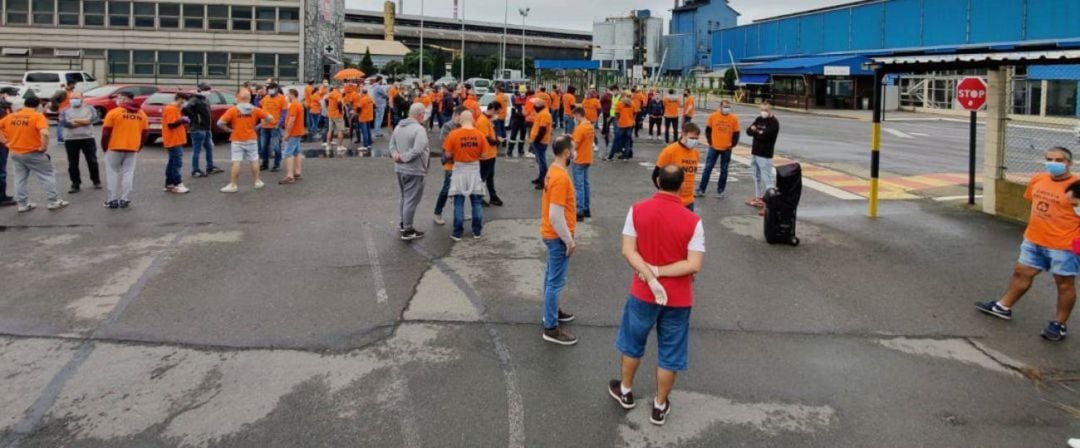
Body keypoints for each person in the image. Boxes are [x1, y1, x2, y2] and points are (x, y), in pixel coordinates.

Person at [608, 164, 705, 426]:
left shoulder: (637, 210)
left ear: (658, 182)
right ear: (682, 185)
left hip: (642, 293)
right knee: (670, 352)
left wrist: (649, 276)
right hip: (679, 298)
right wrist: (661, 271)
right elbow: (693, 264)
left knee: (632, 342)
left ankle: (626, 391)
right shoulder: (693, 221)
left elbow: (628, 250)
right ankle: (660, 405)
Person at [976, 147, 1080, 342]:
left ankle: (1059, 324)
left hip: (1063, 246)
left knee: (1065, 285)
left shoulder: (1077, 185)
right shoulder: (1039, 179)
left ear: (1069, 163)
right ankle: (1003, 307)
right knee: (1021, 273)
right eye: (1049, 159)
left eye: (1058, 160)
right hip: (1034, 240)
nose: (1053, 163)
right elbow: (1033, 204)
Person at [540, 135, 579, 345]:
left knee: (550, 277)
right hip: (557, 237)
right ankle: (551, 326)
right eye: (574, 149)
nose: (575, 152)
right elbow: (556, 214)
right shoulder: (561, 178)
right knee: (555, 281)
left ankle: (551, 311)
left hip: (552, 234)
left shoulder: (554, 171)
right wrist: (569, 241)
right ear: (566, 153)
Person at [0, 97, 68, 212]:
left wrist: (5, 142)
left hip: (16, 152)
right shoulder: (37, 116)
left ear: (25, 104)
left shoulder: (11, 116)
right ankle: (53, 201)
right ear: (37, 105)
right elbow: (45, 133)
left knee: (20, 178)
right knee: (47, 175)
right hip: (33, 152)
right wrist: (43, 147)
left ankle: (22, 204)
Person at [389, 103, 431, 241]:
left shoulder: (398, 127)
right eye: (423, 114)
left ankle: (403, 223)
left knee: (404, 197)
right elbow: (418, 149)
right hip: (415, 169)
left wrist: (396, 156)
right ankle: (408, 229)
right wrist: (404, 158)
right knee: (411, 200)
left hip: (399, 169)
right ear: (420, 114)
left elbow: (392, 145)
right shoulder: (419, 129)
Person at [100, 92, 148, 209]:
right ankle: (124, 199)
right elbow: (144, 134)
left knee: (113, 173)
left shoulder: (114, 113)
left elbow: (106, 133)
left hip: (114, 147)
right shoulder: (142, 114)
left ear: (124, 99)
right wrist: (139, 147)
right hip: (132, 148)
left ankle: (112, 200)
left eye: (119, 97)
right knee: (128, 173)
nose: (117, 99)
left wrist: (105, 147)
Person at [444, 111, 487, 241]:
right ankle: (477, 231)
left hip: (459, 170)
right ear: (472, 120)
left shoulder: (453, 134)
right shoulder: (480, 135)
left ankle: (457, 232)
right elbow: (485, 155)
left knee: (458, 202)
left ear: (461, 120)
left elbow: (447, 155)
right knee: (476, 202)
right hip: (474, 170)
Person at [217, 91, 272, 193]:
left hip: (237, 139)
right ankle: (257, 181)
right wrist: (258, 127)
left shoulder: (233, 110)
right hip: (251, 138)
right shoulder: (255, 109)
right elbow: (269, 118)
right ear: (249, 98)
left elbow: (220, 123)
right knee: (254, 160)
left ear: (238, 98)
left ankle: (233, 185)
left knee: (236, 162)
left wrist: (228, 130)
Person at [58, 91, 101, 193]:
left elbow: (94, 119)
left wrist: (75, 121)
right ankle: (75, 184)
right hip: (71, 139)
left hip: (87, 138)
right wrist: (83, 121)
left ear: (82, 98)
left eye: (76, 98)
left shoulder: (89, 108)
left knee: (92, 161)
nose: (74, 100)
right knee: (73, 163)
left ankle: (96, 180)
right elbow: (64, 122)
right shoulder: (65, 110)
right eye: (72, 98)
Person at [655, 123, 703, 211]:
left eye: (696, 139)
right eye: (692, 138)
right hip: (672, 201)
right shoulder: (670, 151)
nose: (694, 141)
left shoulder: (695, 153)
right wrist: (665, 194)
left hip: (689, 201)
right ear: (683, 134)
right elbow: (655, 175)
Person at [698, 100, 740, 198]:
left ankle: (720, 190)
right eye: (725, 106)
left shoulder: (733, 118)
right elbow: (708, 130)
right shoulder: (713, 116)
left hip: (727, 149)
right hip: (714, 147)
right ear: (720, 107)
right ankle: (701, 189)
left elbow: (736, 133)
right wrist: (710, 142)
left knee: (724, 170)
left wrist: (732, 145)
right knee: (707, 168)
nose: (727, 109)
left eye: (728, 107)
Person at [434, 106, 465, 226]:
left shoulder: (464, 127)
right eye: (461, 118)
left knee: (461, 190)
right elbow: (445, 145)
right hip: (450, 164)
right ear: (456, 115)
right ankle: (438, 212)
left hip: (462, 163)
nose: (462, 121)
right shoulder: (448, 126)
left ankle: (459, 212)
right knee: (446, 189)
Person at [746, 102, 780, 209]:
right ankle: (758, 197)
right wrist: (757, 132)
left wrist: (755, 131)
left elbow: (766, 136)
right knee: (756, 177)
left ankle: (772, 201)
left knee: (767, 178)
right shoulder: (759, 119)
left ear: (770, 110)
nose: (763, 112)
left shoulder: (774, 122)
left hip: (765, 155)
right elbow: (748, 131)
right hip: (755, 152)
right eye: (762, 109)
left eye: (766, 110)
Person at [185, 83, 222, 177]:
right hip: (198, 129)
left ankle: (210, 167)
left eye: (208, 90)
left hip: (206, 129)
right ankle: (195, 170)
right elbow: (186, 108)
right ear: (199, 90)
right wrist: (195, 118)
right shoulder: (195, 100)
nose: (208, 92)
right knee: (196, 150)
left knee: (209, 148)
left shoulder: (203, 99)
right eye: (206, 90)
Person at [162, 93, 191, 194]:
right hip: (173, 140)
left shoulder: (175, 109)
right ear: (179, 99)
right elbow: (171, 124)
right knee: (177, 163)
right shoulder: (171, 109)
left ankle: (169, 184)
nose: (184, 103)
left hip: (175, 139)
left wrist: (182, 120)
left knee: (172, 162)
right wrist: (182, 120)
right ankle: (177, 183)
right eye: (184, 100)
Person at [569, 107, 594, 221]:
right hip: (587, 157)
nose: (574, 118)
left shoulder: (580, 128)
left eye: (575, 116)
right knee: (585, 184)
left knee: (579, 186)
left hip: (579, 158)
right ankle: (586, 209)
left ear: (578, 115)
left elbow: (575, 144)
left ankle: (579, 211)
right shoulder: (589, 126)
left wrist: (569, 154)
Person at [478, 102, 503, 207]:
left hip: (490, 153)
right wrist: (498, 141)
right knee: (483, 177)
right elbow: (486, 139)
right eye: (496, 111)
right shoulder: (483, 121)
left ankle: (493, 196)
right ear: (492, 109)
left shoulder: (487, 119)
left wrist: (496, 139)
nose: (497, 114)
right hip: (485, 155)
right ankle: (479, 197)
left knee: (490, 176)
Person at [258, 83, 287, 172]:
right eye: (269, 89)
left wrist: (280, 123)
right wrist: (257, 96)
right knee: (264, 147)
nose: (270, 90)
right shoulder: (265, 98)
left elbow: (284, 112)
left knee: (276, 146)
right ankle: (264, 163)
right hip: (264, 125)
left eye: (272, 88)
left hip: (275, 126)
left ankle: (276, 164)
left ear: (276, 89)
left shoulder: (282, 98)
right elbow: (258, 107)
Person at [279, 88, 305, 184]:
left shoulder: (293, 105)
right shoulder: (299, 104)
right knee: (297, 152)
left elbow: (292, 120)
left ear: (292, 95)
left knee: (287, 154)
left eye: (287, 94)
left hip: (293, 132)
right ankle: (297, 172)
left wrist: (287, 133)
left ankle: (290, 176)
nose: (286, 96)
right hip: (298, 131)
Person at [529, 97, 553, 190]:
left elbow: (542, 130)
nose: (534, 106)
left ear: (540, 105)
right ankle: (540, 178)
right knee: (539, 161)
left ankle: (543, 181)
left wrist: (535, 141)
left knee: (542, 162)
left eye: (535, 105)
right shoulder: (542, 113)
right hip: (538, 141)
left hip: (540, 142)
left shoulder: (544, 114)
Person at [0, 86, 17, 206]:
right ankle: (1, 197)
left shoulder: (5, 107)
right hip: (1, 143)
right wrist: (4, 141)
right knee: (1, 171)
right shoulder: (1, 108)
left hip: (4, 142)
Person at [608, 96, 635, 161]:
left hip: (621, 125)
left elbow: (617, 114)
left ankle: (611, 155)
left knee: (616, 140)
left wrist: (618, 121)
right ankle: (626, 156)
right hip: (630, 124)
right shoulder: (632, 104)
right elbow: (634, 113)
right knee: (627, 141)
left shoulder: (619, 104)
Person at [324, 85, 347, 155]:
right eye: (342, 88)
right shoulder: (337, 94)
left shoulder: (330, 93)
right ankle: (339, 146)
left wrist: (328, 107)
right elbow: (339, 102)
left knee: (330, 130)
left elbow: (325, 100)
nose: (343, 89)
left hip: (331, 114)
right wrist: (341, 111)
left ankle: (328, 145)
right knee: (340, 130)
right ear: (339, 88)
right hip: (337, 115)